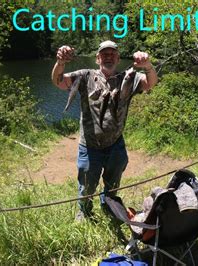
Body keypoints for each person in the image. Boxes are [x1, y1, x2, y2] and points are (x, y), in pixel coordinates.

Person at [51, 40, 158, 220]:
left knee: (113, 183)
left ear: (117, 57)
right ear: (97, 58)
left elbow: (150, 83)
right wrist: (60, 62)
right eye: (104, 54)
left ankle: (108, 205)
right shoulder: (85, 76)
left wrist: (147, 66)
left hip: (116, 144)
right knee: (86, 185)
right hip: (90, 145)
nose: (108, 56)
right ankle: (84, 211)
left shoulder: (128, 78)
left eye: (112, 53)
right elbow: (59, 82)